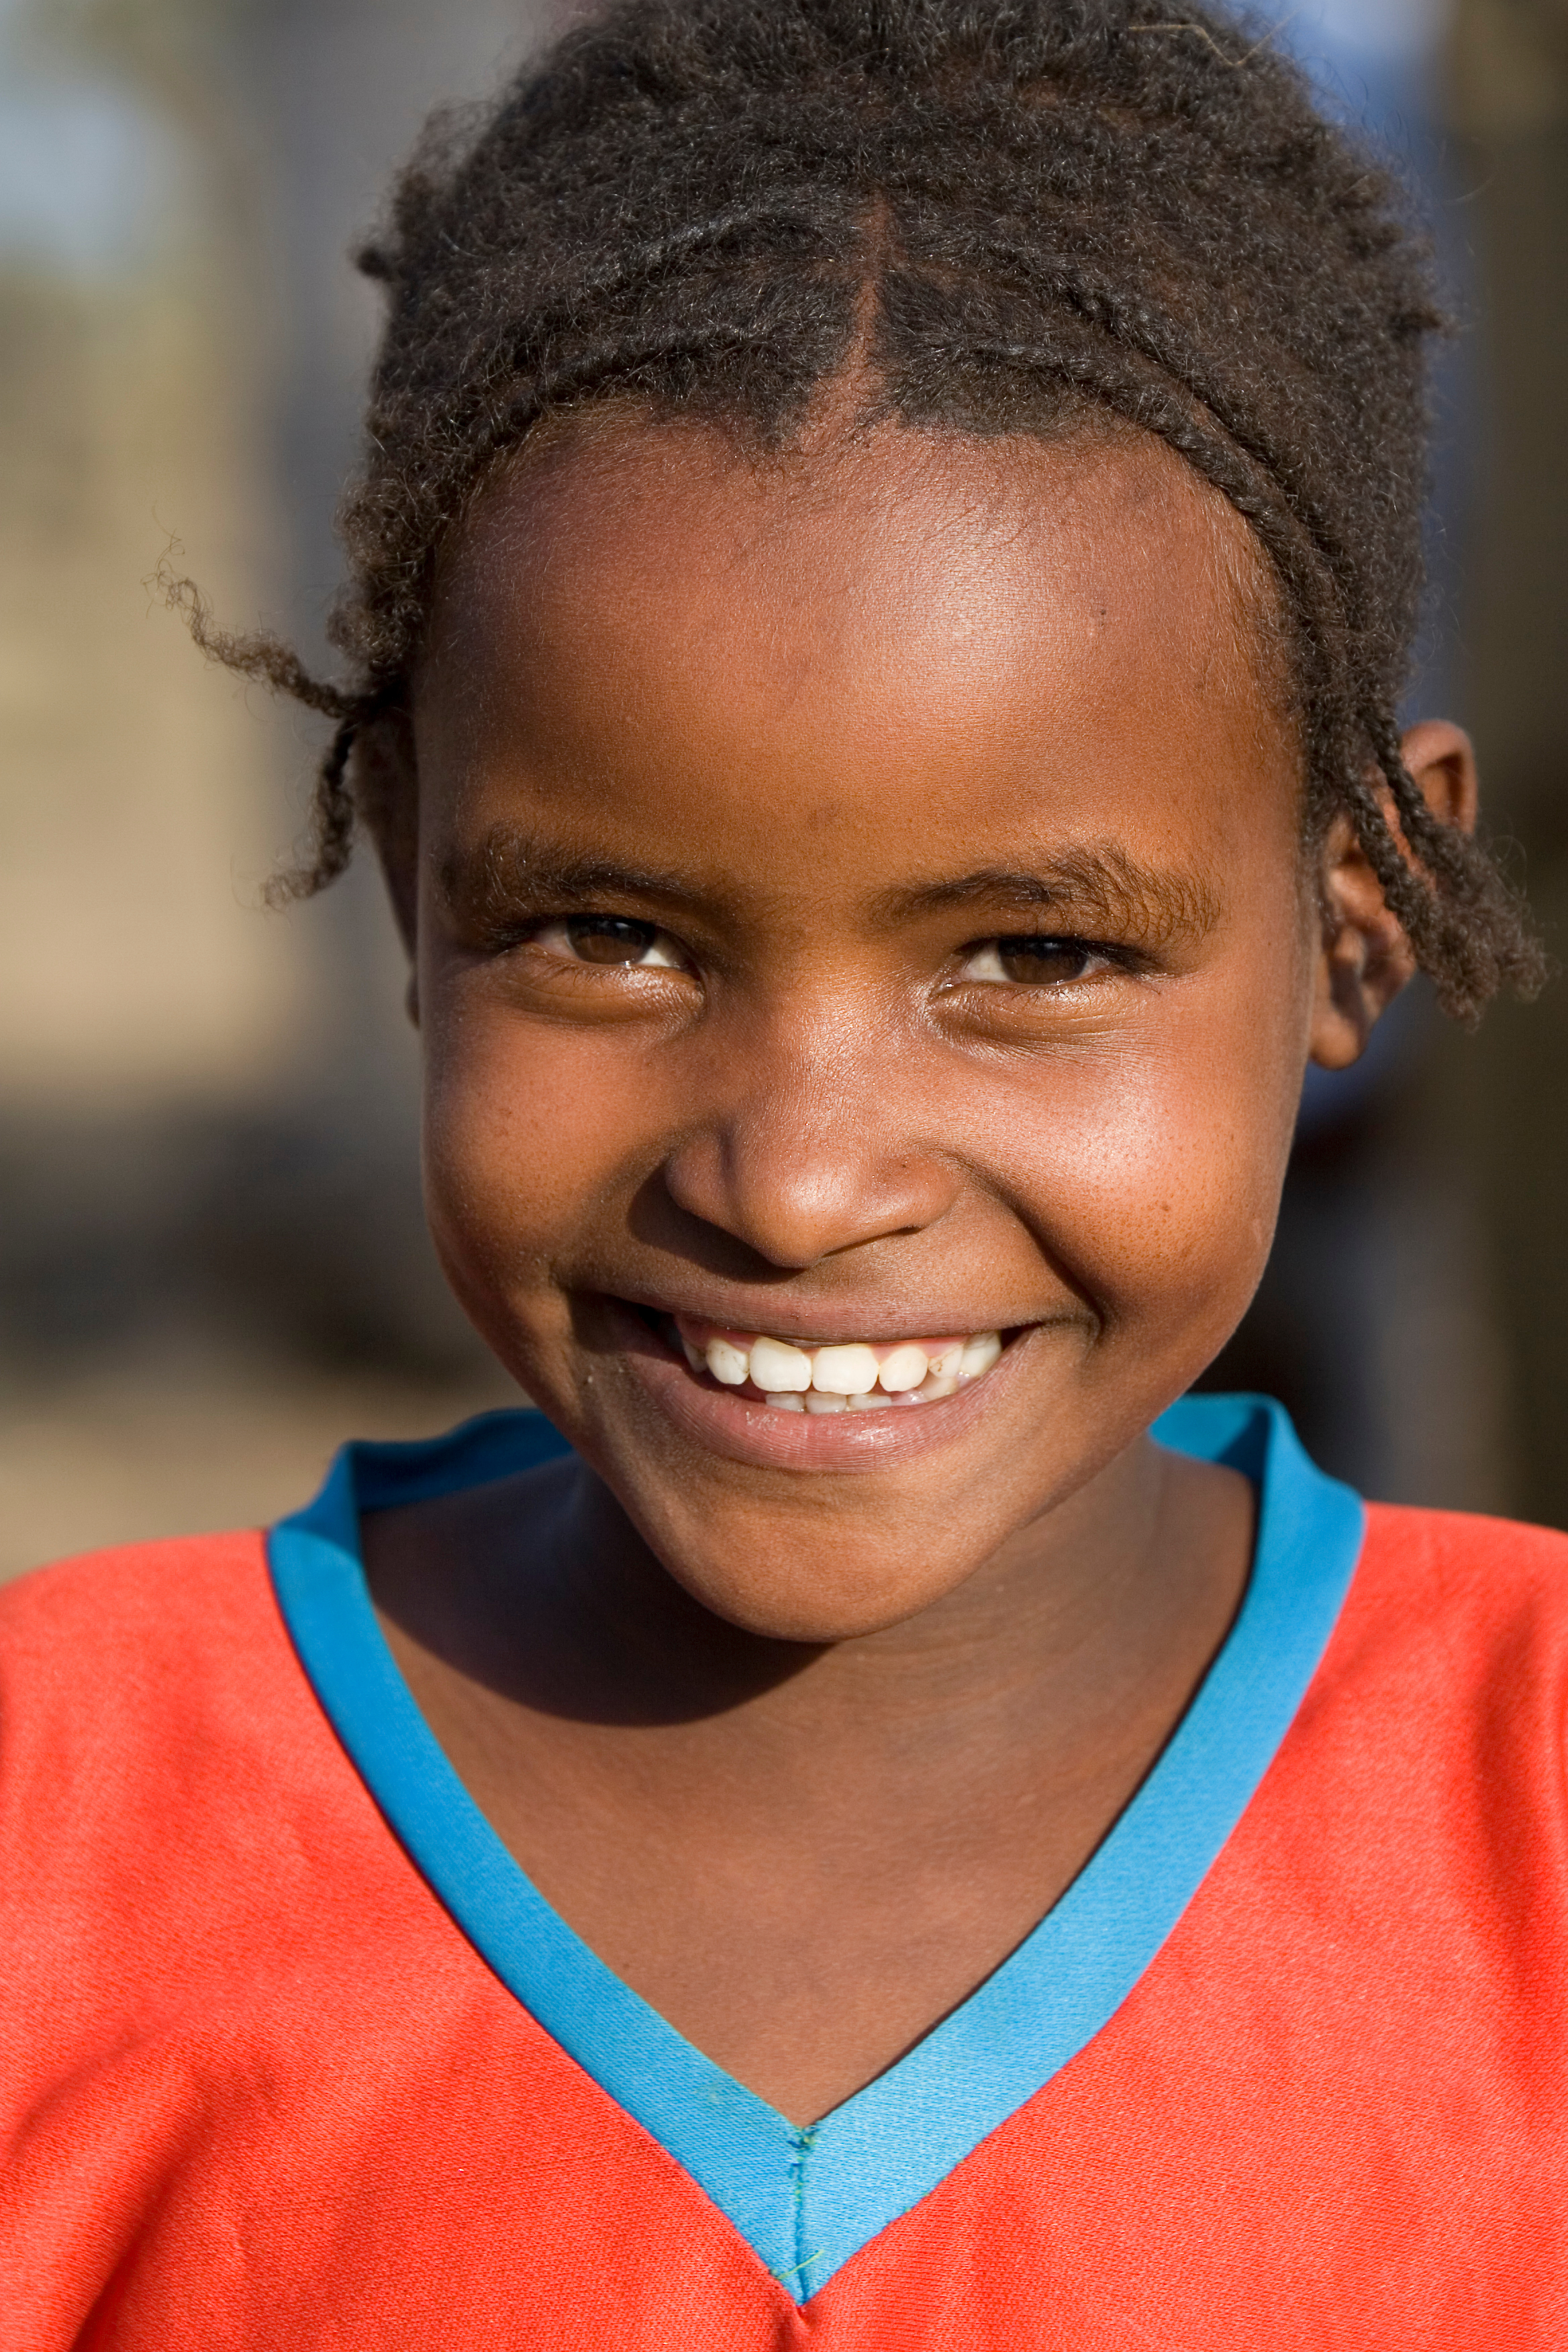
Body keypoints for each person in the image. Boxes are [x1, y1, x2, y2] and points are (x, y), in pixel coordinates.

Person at [3, 2, 1562, 2342]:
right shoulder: (54, 1836)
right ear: (412, 882)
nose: (802, 1181)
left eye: (1032, 953)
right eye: (608, 936)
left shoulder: (1527, 1827)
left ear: (1359, 925)